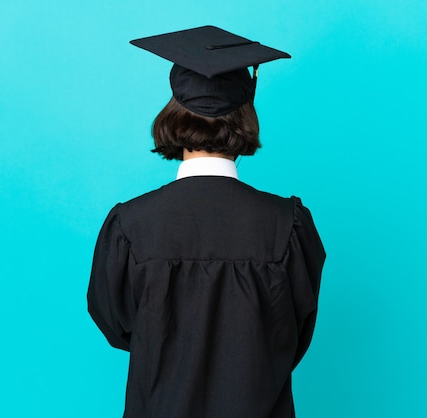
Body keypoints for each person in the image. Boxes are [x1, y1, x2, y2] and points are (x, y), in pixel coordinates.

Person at [88, 26, 326, 418]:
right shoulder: (288, 226)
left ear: (174, 109)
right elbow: (294, 334)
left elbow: (117, 325)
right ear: (246, 113)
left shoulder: (130, 225)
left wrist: (167, 342)